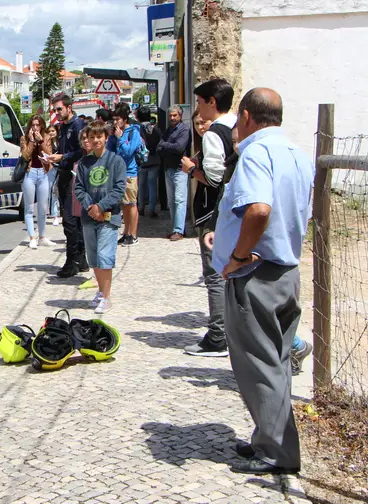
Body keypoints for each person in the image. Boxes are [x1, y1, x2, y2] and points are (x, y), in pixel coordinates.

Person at [206, 88, 313, 475]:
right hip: (286, 271)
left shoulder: (255, 152)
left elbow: (259, 209)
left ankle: (277, 452)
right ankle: (268, 438)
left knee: (259, 365)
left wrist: (237, 255)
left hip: (256, 276)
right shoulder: (297, 154)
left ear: (247, 116)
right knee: (278, 362)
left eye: (237, 120)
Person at [180, 78, 237, 357]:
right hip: (234, 210)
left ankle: (217, 337)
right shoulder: (237, 127)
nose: (199, 109)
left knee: (214, 275)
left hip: (213, 214)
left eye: (200, 102)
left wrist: (191, 170)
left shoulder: (215, 133)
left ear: (212, 102)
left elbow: (214, 179)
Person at [75, 121, 126, 314]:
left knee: (105, 256)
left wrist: (100, 206)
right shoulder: (84, 163)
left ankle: (106, 297)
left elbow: (119, 189)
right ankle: (100, 290)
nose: (95, 140)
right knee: (94, 257)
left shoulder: (116, 161)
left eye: (99, 136)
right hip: (89, 216)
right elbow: (78, 188)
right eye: (91, 137)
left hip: (109, 216)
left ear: (106, 137)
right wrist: (90, 206)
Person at [47, 96, 86, 278]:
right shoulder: (62, 127)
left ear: (69, 108)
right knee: (72, 221)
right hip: (63, 175)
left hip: (74, 176)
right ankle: (80, 259)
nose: (57, 113)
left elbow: (80, 151)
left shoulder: (77, 125)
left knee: (71, 221)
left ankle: (73, 261)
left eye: (59, 109)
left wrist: (62, 157)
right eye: (55, 110)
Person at [107, 103, 143, 247]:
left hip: (130, 173)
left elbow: (128, 152)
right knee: (124, 205)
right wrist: (112, 138)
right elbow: (110, 152)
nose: (115, 122)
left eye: (118, 119)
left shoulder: (133, 132)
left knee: (131, 204)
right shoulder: (115, 133)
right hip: (117, 173)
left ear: (124, 119)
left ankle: (133, 235)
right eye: (113, 120)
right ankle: (126, 233)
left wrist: (120, 139)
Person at [19, 115, 55, 249]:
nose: (35, 128)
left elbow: (49, 155)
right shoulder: (25, 138)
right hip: (30, 173)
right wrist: (32, 142)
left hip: (43, 173)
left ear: (41, 126)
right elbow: (25, 156)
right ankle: (32, 237)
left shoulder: (46, 137)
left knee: (43, 208)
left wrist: (41, 142)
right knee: (29, 208)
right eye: (33, 125)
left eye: (37, 125)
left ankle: (42, 236)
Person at [157, 105, 192, 241]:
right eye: (170, 116)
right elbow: (158, 149)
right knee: (171, 201)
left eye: (174, 115)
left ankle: (179, 230)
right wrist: (166, 146)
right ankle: (177, 228)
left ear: (180, 116)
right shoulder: (168, 130)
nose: (172, 118)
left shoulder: (184, 130)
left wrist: (165, 145)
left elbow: (179, 148)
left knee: (180, 200)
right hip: (168, 168)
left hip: (180, 169)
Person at [136, 107, 163, 219]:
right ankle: (152, 209)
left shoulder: (137, 129)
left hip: (141, 161)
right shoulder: (155, 129)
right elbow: (161, 141)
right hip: (154, 159)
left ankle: (140, 208)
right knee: (152, 186)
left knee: (141, 186)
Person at [45, 125, 61, 227]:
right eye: (49, 131)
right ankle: (55, 215)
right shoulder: (46, 143)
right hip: (51, 169)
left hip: (62, 168)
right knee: (52, 192)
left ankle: (61, 213)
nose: (51, 133)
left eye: (53, 131)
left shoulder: (61, 142)